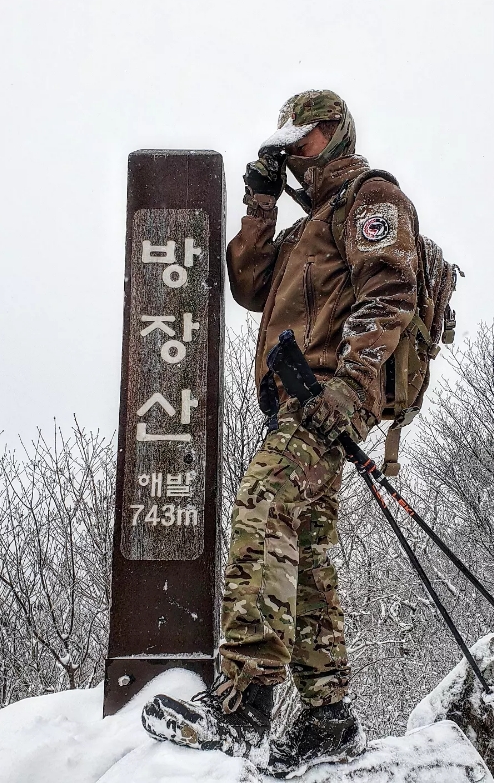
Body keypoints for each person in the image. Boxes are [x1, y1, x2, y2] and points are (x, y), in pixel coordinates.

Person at [142, 90, 420, 776]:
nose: (295, 149)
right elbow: (246, 281)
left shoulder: (368, 197)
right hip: (297, 404)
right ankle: (328, 716)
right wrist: (262, 205)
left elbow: (389, 291)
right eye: (288, 140)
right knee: (310, 548)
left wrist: (352, 386)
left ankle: (245, 703)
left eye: (308, 137)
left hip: (330, 399)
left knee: (264, 507)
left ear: (337, 133)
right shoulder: (305, 229)